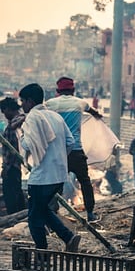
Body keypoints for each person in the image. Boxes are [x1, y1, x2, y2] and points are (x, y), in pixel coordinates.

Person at [19, 83, 80, 251]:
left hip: (41, 178)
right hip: (59, 176)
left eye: (22, 101)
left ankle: (42, 253)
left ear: (30, 101)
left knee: (34, 218)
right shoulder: (56, 117)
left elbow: (27, 145)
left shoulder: (33, 118)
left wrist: (22, 134)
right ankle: (69, 237)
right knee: (43, 210)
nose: (22, 105)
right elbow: (70, 142)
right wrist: (58, 158)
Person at [45, 77, 102, 222]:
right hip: (76, 150)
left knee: (55, 183)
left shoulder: (50, 104)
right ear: (73, 90)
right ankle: (90, 213)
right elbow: (94, 112)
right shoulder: (80, 103)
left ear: (58, 91)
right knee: (85, 181)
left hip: (58, 152)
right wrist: (98, 115)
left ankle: (53, 213)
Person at [0, 97, 26, 213]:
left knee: (11, 195)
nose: (3, 114)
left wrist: (5, 168)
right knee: (17, 192)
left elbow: (12, 150)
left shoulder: (12, 127)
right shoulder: (19, 122)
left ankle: (15, 216)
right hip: (17, 166)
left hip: (12, 167)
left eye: (3, 111)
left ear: (8, 109)